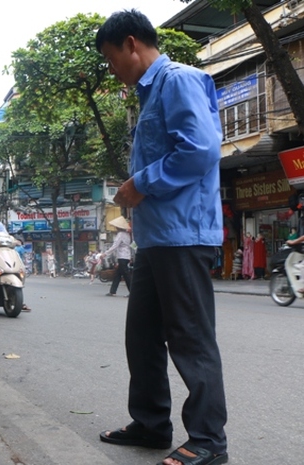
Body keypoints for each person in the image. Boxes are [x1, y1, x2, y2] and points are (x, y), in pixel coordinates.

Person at [96, 10, 228, 465]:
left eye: (113, 60)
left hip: (183, 234)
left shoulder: (178, 79)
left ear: (131, 43)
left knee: (190, 338)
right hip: (154, 238)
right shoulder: (149, 94)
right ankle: (151, 425)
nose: (113, 71)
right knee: (142, 336)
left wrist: (141, 183)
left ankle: (209, 441)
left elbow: (201, 149)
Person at [100, 216, 133, 296]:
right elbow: (131, 246)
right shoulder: (128, 235)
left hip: (122, 257)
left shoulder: (120, 234)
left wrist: (105, 254)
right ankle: (113, 291)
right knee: (118, 274)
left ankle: (132, 292)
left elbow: (115, 246)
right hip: (126, 256)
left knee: (126, 275)